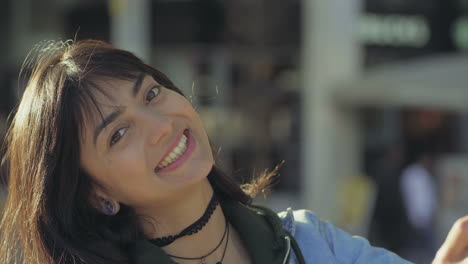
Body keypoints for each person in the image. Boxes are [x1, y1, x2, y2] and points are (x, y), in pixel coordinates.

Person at [0, 40, 466, 264]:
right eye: (118, 134)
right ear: (91, 192)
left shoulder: (310, 242)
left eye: (151, 95)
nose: (162, 126)